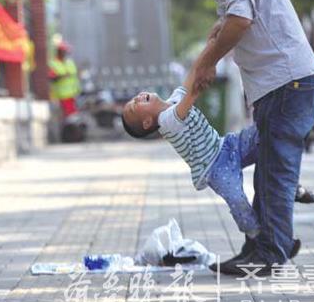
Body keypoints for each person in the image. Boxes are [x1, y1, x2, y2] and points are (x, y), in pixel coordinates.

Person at [164, 0, 314, 276]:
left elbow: (240, 21)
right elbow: (233, 18)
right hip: (278, 85)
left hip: (287, 82)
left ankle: (271, 252)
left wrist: (206, 62)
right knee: (268, 171)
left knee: (275, 173)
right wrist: (217, 36)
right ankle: (264, 246)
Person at [121, 51, 304, 264]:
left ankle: (289, 186)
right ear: (146, 122)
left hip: (226, 145)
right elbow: (191, 94)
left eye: (133, 99)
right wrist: (202, 77)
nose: (136, 98)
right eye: (135, 106)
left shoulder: (172, 100)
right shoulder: (166, 120)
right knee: (239, 203)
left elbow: (190, 77)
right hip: (215, 168)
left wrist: (211, 48)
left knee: (265, 133)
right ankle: (265, 242)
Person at [48, 40, 81, 119]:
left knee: (73, 117)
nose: (66, 54)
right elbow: (52, 78)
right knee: (67, 118)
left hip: (73, 95)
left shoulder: (69, 62)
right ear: (59, 52)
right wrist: (62, 76)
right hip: (61, 97)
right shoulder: (53, 63)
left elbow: (75, 76)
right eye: (64, 51)